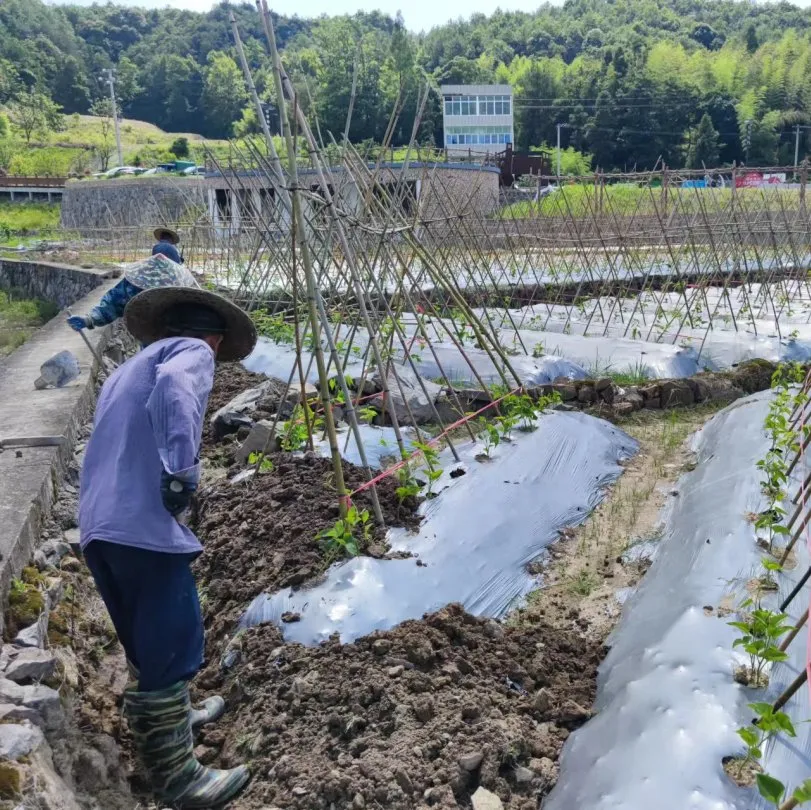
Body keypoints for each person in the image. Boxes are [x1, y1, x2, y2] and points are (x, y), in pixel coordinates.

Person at [78, 286, 257, 808]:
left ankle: (175, 720)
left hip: (98, 523)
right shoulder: (193, 354)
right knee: (174, 636)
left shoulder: (126, 370)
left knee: (142, 638)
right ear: (215, 339)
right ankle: (179, 779)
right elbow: (179, 389)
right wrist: (182, 473)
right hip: (141, 526)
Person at [66, 254, 197, 333]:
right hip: (149, 338)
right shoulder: (134, 286)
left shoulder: (180, 289)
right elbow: (112, 304)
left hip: (179, 340)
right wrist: (89, 319)